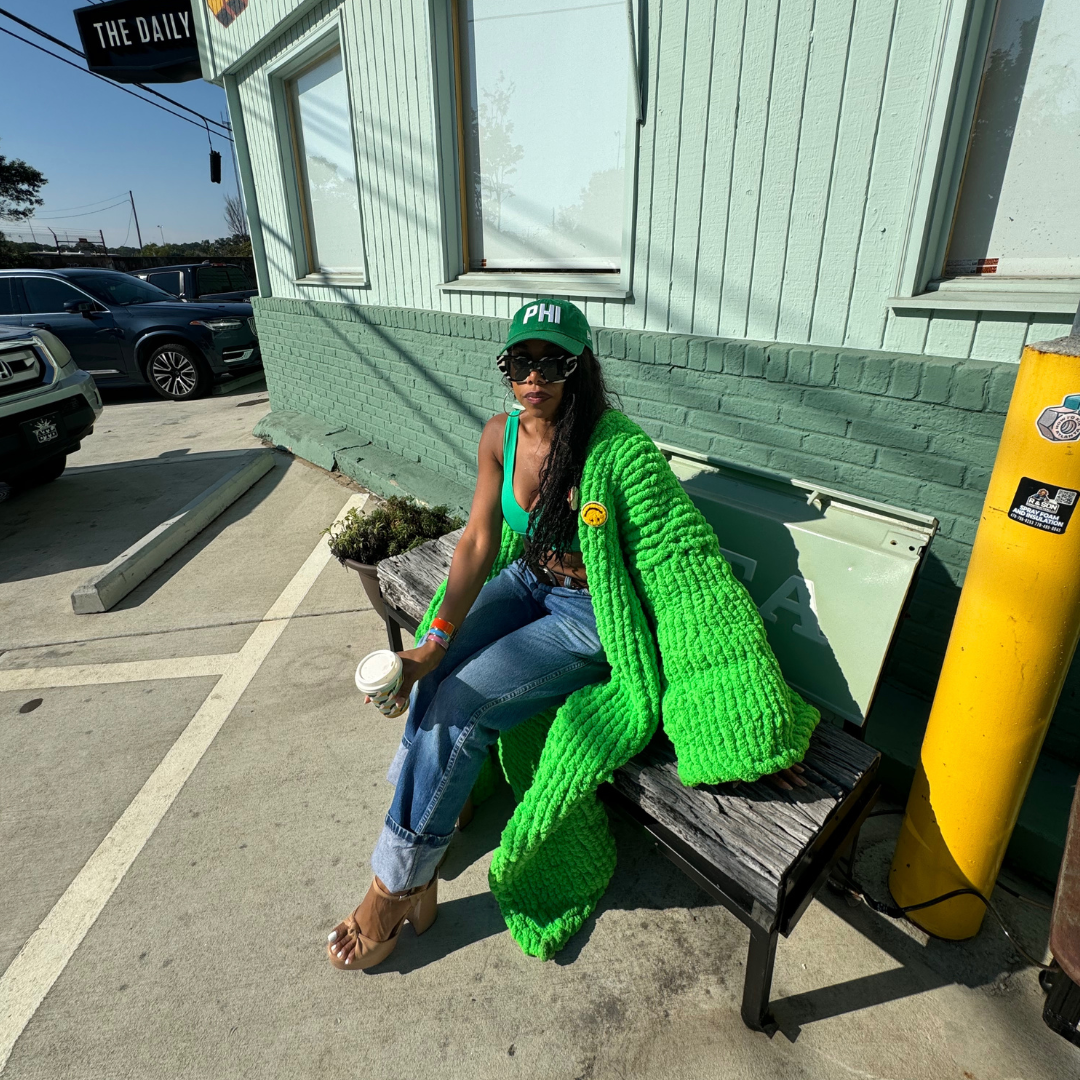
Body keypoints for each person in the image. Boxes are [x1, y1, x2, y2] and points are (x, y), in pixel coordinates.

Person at [328, 299, 815, 970]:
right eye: (519, 362)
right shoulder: (500, 435)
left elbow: (684, 566)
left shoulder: (615, 449)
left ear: (578, 367)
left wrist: (741, 701)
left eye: (552, 361)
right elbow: (476, 542)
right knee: (435, 676)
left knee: (462, 709)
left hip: (587, 615)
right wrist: (431, 644)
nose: (534, 377)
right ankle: (443, 816)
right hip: (527, 582)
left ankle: (397, 884)